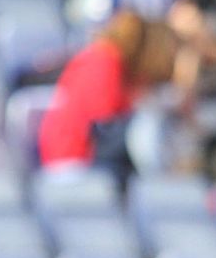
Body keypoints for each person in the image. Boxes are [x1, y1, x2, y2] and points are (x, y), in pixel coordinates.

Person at [37, 10, 180, 173]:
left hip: (94, 158)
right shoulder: (104, 61)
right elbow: (104, 128)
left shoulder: (113, 62)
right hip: (74, 161)